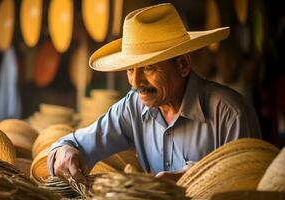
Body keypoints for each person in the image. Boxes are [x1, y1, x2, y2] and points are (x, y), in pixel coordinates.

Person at [47, 3, 261, 183]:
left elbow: (250, 186)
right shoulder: (132, 108)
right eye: (131, 69)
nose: (135, 82)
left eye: (149, 68)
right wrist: (64, 151)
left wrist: (196, 180)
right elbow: (75, 144)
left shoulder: (231, 115)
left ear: (183, 65)